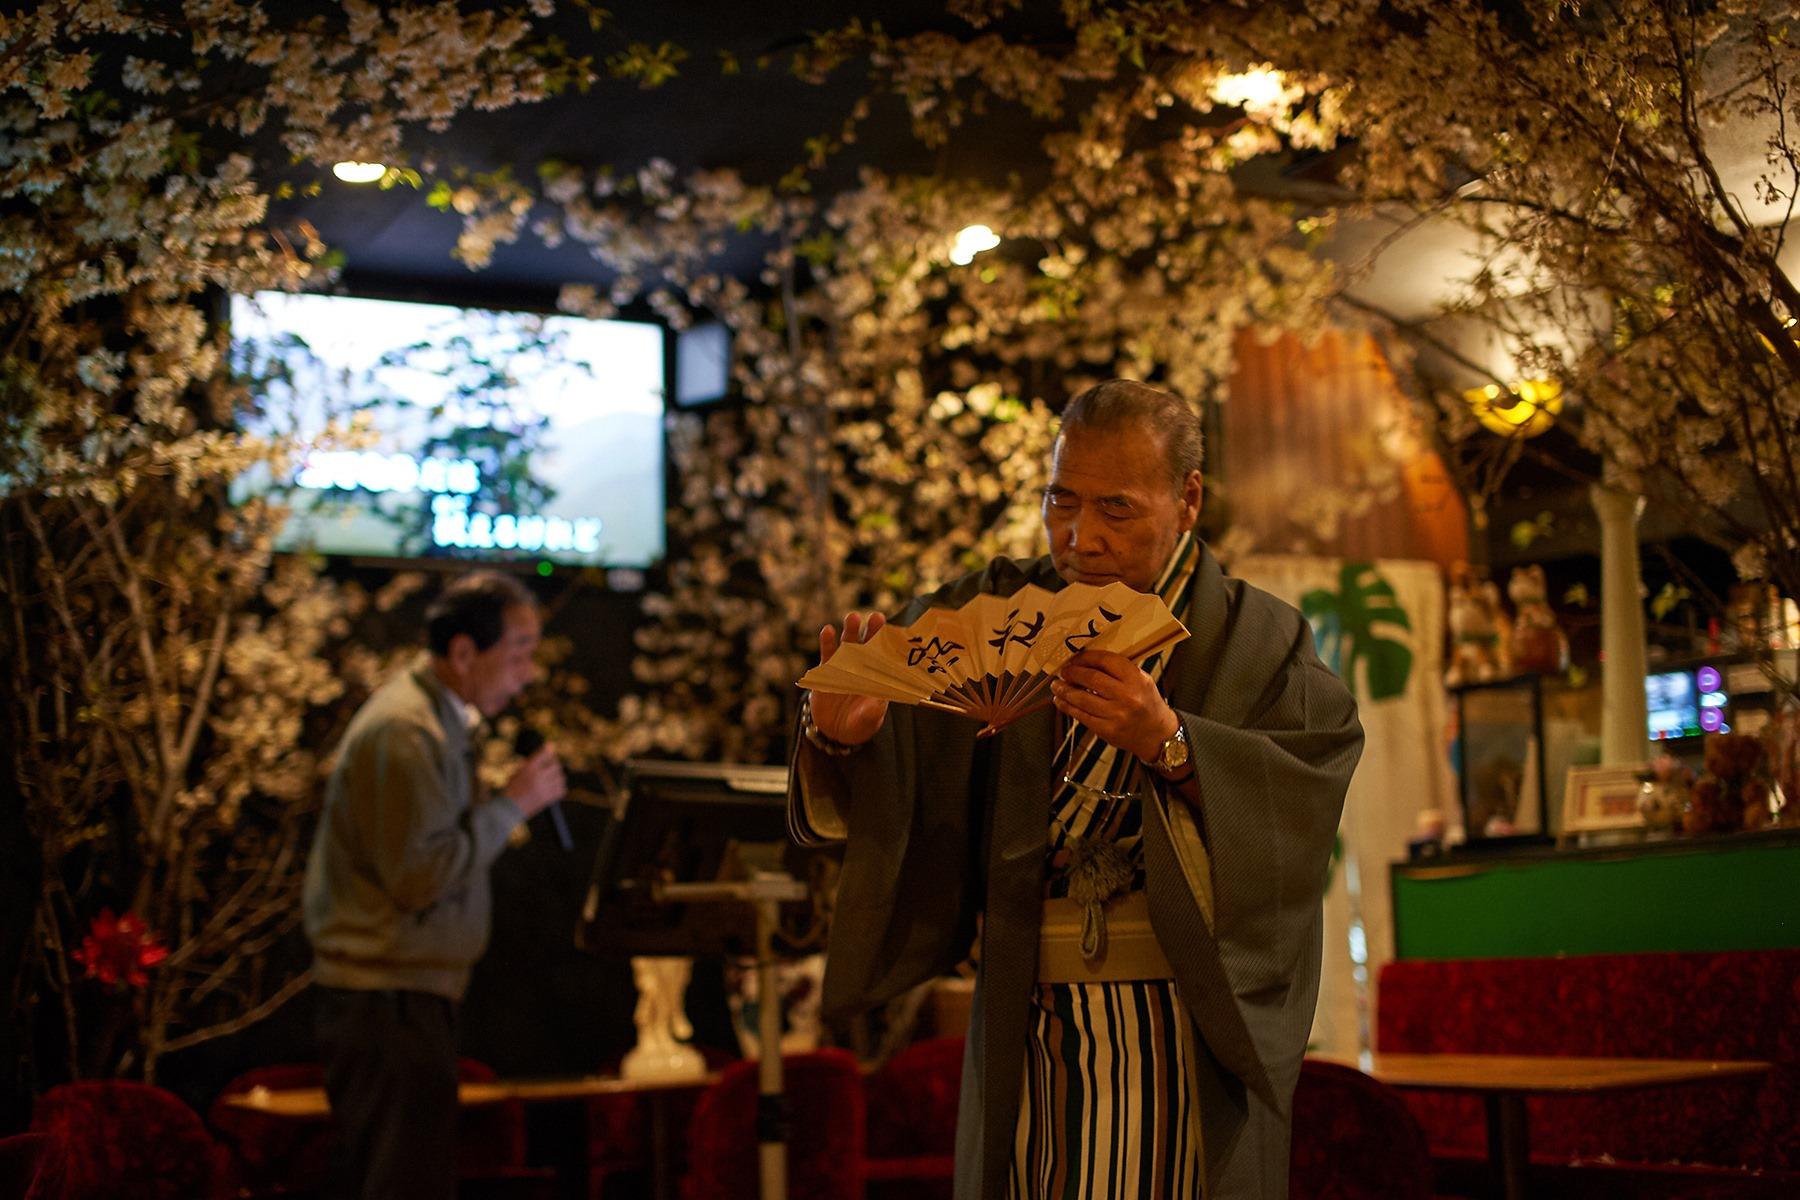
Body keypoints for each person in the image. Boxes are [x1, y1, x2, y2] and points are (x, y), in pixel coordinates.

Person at [789, 379, 1363, 1200]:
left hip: (1183, 1019)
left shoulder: (1257, 639)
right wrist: (844, 739)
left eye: (1115, 509)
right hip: (1026, 1007)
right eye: (1061, 501)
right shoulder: (994, 611)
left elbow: (1305, 789)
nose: (1079, 536)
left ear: (1187, 500)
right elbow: (901, 767)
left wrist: (1172, 744)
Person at [303, 570, 566, 1200]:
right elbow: (418, 877)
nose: (527, 675)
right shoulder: (406, 729)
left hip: (407, 994)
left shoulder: (440, 720)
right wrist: (513, 805)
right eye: (519, 653)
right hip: (387, 1002)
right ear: (464, 652)